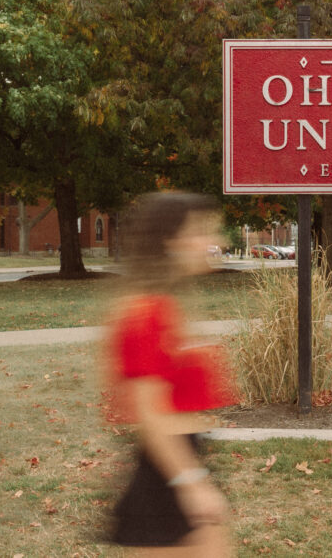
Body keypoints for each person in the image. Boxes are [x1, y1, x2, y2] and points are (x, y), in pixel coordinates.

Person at [105, 192, 238, 556]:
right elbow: (151, 415)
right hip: (166, 477)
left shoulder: (165, 306)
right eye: (202, 231)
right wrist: (192, 483)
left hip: (181, 467)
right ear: (171, 241)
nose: (216, 242)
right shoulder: (145, 314)